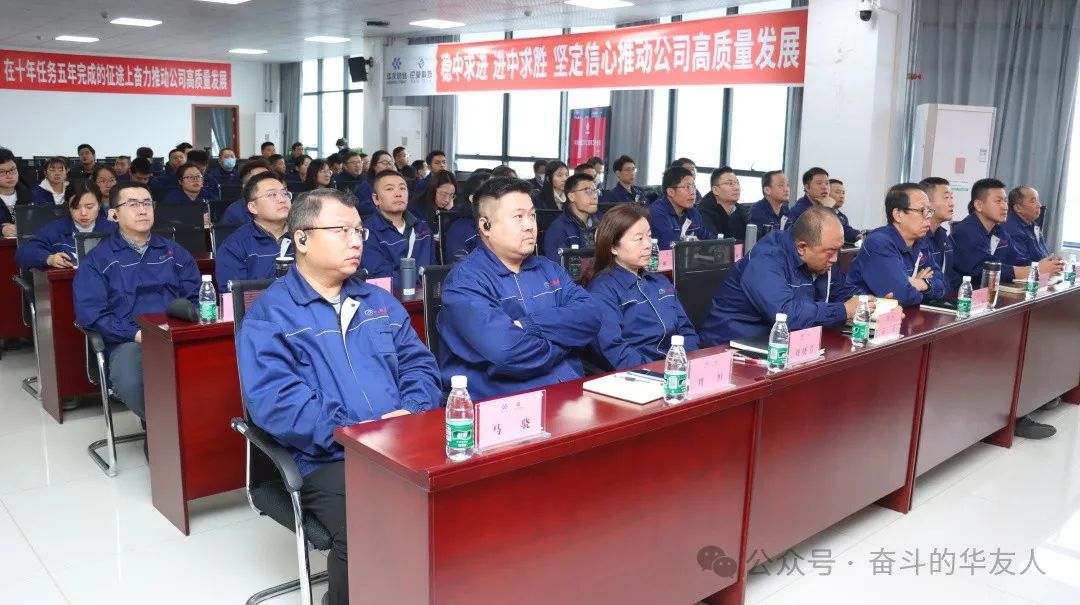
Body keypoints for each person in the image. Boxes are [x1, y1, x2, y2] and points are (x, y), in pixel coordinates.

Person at [237, 188, 441, 605]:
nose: (355, 241)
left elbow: (420, 367)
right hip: (328, 456)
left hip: (403, 441)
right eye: (341, 230)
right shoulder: (270, 314)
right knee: (369, 519)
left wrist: (412, 413)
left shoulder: (379, 302)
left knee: (458, 496)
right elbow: (279, 404)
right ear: (302, 239)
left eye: (359, 231)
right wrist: (359, 435)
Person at [437, 177, 602, 399]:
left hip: (569, 390)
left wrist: (528, 325)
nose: (529, 225)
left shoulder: (548, 268)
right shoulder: (465, 282)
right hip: (506, 402)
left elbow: (591, 316)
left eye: (532, 215)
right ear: (486, 226)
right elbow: (507, 351)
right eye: (518, 217)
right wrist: (565, 346)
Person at [73, 182, 201, 424]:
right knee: (130, 379)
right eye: (132, 205)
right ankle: (162, 429)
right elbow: (92, 315)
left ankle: (189, 430)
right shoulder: (97, 261)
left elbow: (196, 297)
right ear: (113, 214)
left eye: (147, 204)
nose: (142, 210)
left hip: (176, 335)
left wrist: (184, 328)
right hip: (129, 341)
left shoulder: (175, 253)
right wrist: (136, 334)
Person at [699, 206, 866, 345]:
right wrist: (843, 311)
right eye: (830, 252)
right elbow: (786, 315)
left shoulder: (821, 260)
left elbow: (845, 293)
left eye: (838, 250)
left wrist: (869, 303)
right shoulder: (767, 260)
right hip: (732, 345)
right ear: (802, 247)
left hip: (778, 343)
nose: (835, 259)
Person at [586, 204, 699, 370]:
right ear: (613, 247)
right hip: (639, 374)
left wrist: (684, 362)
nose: (648, 244)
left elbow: (687, 330)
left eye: (649, 236)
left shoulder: (660, 281)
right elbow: (614, 350)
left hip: (678, 369)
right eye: (639, 239)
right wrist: (659, 370)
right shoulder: (602, 290)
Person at [952, 178, 1062, 290]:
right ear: (979, 205)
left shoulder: (999, 231)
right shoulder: (966, 232)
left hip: (990, 291)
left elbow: (1016, 260)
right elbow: (986, 270)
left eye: (1005, 201)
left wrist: (1044, 266)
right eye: (998, 201)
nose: (1005, 207)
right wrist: (1035, 270)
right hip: (962, 295)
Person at [847, 183, 945, 307]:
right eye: (922, 211)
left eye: (929, 210)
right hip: (866, 315)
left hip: (905, 313)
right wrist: (922, 287)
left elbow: (943, 285)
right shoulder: (879, 243)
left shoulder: (921, 241)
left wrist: (921, 283)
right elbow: (901, 296)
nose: (928, 217)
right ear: (898, 215)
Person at [215, 172, 292, 287]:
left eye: (284, 193)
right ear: (253, 207)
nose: (282, 199)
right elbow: (234, 293)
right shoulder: (234, 246)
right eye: (272, 195)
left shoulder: (305, 235)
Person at [359, 170, 435, 286]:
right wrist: (418, 278)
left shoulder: (423, 229)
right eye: (390, 189)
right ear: (376, 199)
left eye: (402, 188)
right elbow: (379, 276)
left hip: (424, 295)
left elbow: (433, 270)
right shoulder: (367, 232)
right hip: (389, 295)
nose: (398, 194)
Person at [16, 183, 116, 270]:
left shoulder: (113, 229)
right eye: (76, 207)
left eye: (89, 207)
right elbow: (23, 254)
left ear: (99, 205)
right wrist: (49, 258)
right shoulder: (56, 229)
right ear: (68, 206)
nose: (83, 213)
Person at [647, 166, 715, 250]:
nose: (693, 192)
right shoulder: (657, 213)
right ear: (671, 192)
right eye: (687, 187)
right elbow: (670, 247)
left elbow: (709, 240)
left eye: (693, 186)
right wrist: (698, 245)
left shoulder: (693, 212)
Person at [542, 173, 601, 261]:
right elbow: (556, 267)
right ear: (571, 196)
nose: (595, 196)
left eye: (595, 191)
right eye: (588, 190)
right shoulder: (558, 230)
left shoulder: (602, 223)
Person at [918, 177, 957, 289]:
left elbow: (951, 276)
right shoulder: (917, 236)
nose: (952, 204)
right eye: (946, 198)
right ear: (927, 203)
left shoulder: (942, 235)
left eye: (951, 197)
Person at [443, 171, 490, 261]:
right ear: (472, 199)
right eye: (490, 195)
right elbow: (459, 266)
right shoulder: (460, 230)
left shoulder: (501, 224)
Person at [1003, 185, 1053, 268]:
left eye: (1038, 200)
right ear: (1018, 208)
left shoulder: (1033, 225)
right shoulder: (1011, 229)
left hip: (1040, 271)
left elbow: (1043, 256)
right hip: (1025, 274)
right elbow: (1020, 264)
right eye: (1033, 201)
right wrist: (1045, 266)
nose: (1039, 205)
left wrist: (1053, 263)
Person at [699, 166, 747, 240]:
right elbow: (712, 242)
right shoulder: (703, 212)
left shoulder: (741, 210)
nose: (736, 188)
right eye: (730, 183)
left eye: (737, 183)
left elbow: (754, 238)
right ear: (715, 190)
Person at [219, 159, 272, 225]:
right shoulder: (234, 213)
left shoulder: (281, 204)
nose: (266, 183)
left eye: (268, 178)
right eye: (258, 180)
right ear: (246, 187)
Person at [410, 170, 458, 238]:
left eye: (451, 195)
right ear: (433, 190)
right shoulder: (415, 208)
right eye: (444, 194)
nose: (447, 200)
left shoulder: (451, 205)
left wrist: (450, 212)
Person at [0, 148, 34, 237]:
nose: (9, 176)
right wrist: (2, 230)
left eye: (12, 170)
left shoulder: (31, 195)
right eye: (2, 172)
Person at [353, 150, 395, 218]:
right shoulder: (365, 186)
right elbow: (364, 209)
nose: (388, 165)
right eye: (384, 162)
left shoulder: (396, 184)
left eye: (390, 162)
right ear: (374, 166)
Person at [829, 179, 863, 244]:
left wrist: (857, 235)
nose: (842, 196)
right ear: (826, 193)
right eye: (837, 192)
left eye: (843, 193)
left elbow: (846, 230)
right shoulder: (819, 213)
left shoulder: (842, 216)